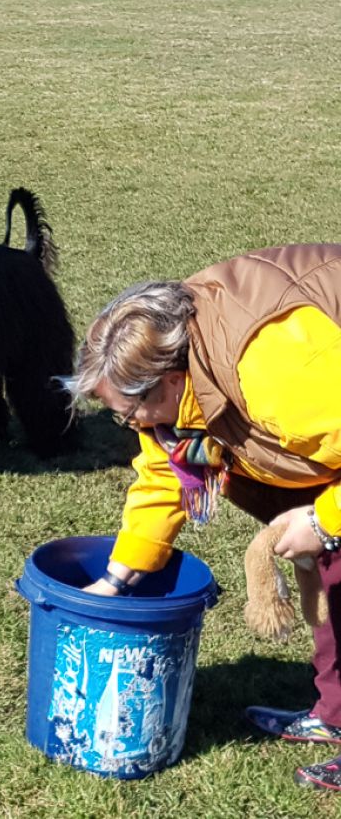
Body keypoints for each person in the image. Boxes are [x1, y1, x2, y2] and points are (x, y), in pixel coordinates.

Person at [65, 244, 341, 792]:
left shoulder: (273, 366)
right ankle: (334, 715)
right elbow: (163, 472)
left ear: (170, 380)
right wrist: (116, 580)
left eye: (128, 412)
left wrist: (325, 519)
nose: (130, 425)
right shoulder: (176, 369)